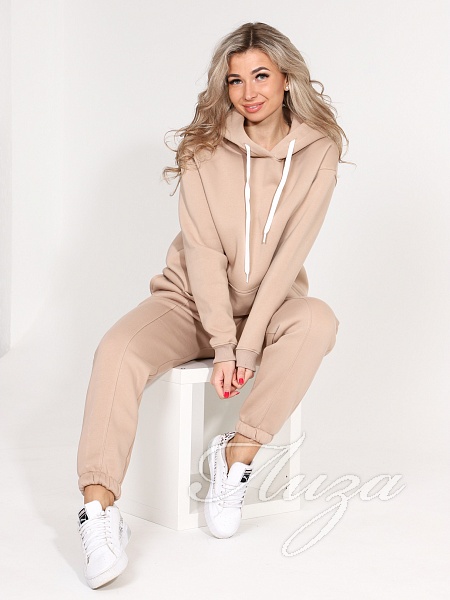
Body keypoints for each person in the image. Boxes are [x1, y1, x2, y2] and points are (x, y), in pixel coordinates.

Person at [76, 21, 350, 589]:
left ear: (286, 79)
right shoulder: (201, 148)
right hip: (188, 304)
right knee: (117, 349)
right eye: (235, 80)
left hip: (269, 309)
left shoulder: (320, 149)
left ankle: (237, 458)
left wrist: (247, 348)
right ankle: (99, 512)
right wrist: (224, 344)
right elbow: (201, 253)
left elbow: (291, 254)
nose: (249, 92)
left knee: (317, 321)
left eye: (261, 76)